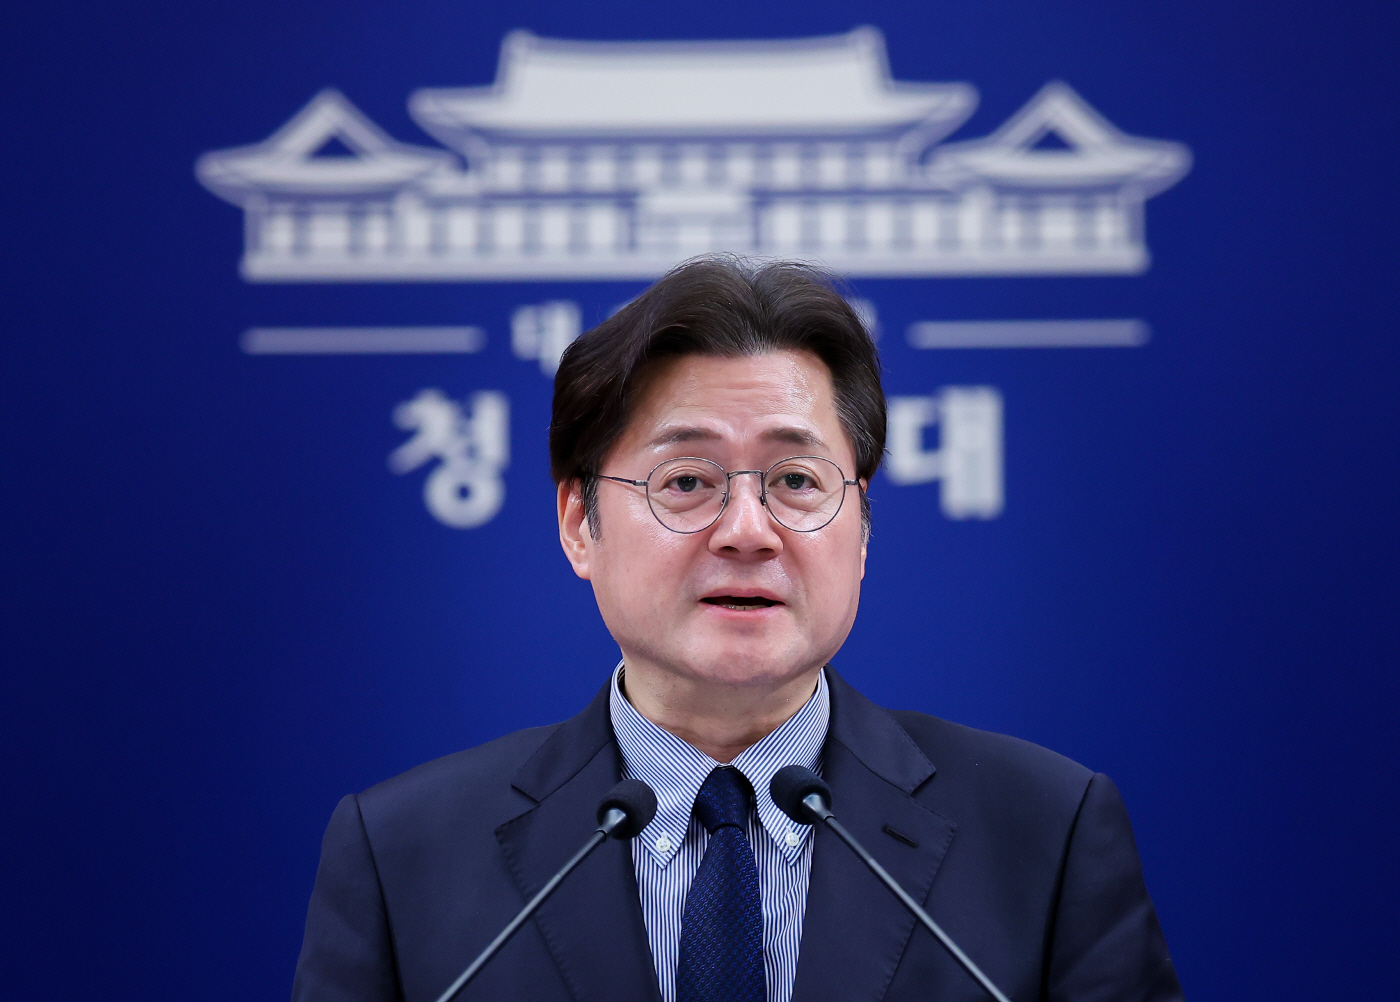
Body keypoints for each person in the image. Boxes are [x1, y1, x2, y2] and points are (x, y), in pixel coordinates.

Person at [291, 257, 1183, 1002]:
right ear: (578, 524)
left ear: (862, 528)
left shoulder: (1045, 835)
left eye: (796, 481)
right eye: (687, 481)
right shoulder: (403, 857)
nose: (748, 531)